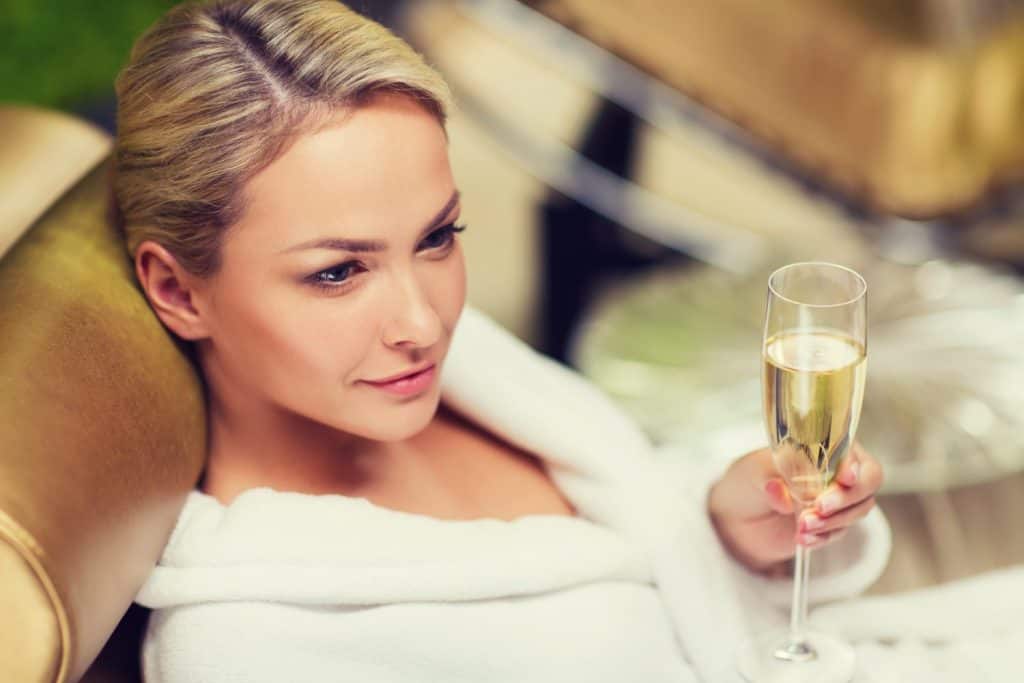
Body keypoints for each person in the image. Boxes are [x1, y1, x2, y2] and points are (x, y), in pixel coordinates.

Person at [113, 1, 890, 681]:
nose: (425, 324)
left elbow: (656, 567)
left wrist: (727, 531)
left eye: (437, 236)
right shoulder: (247, 646)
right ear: (180, 291)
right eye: (338, 272)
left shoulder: (473, 375)